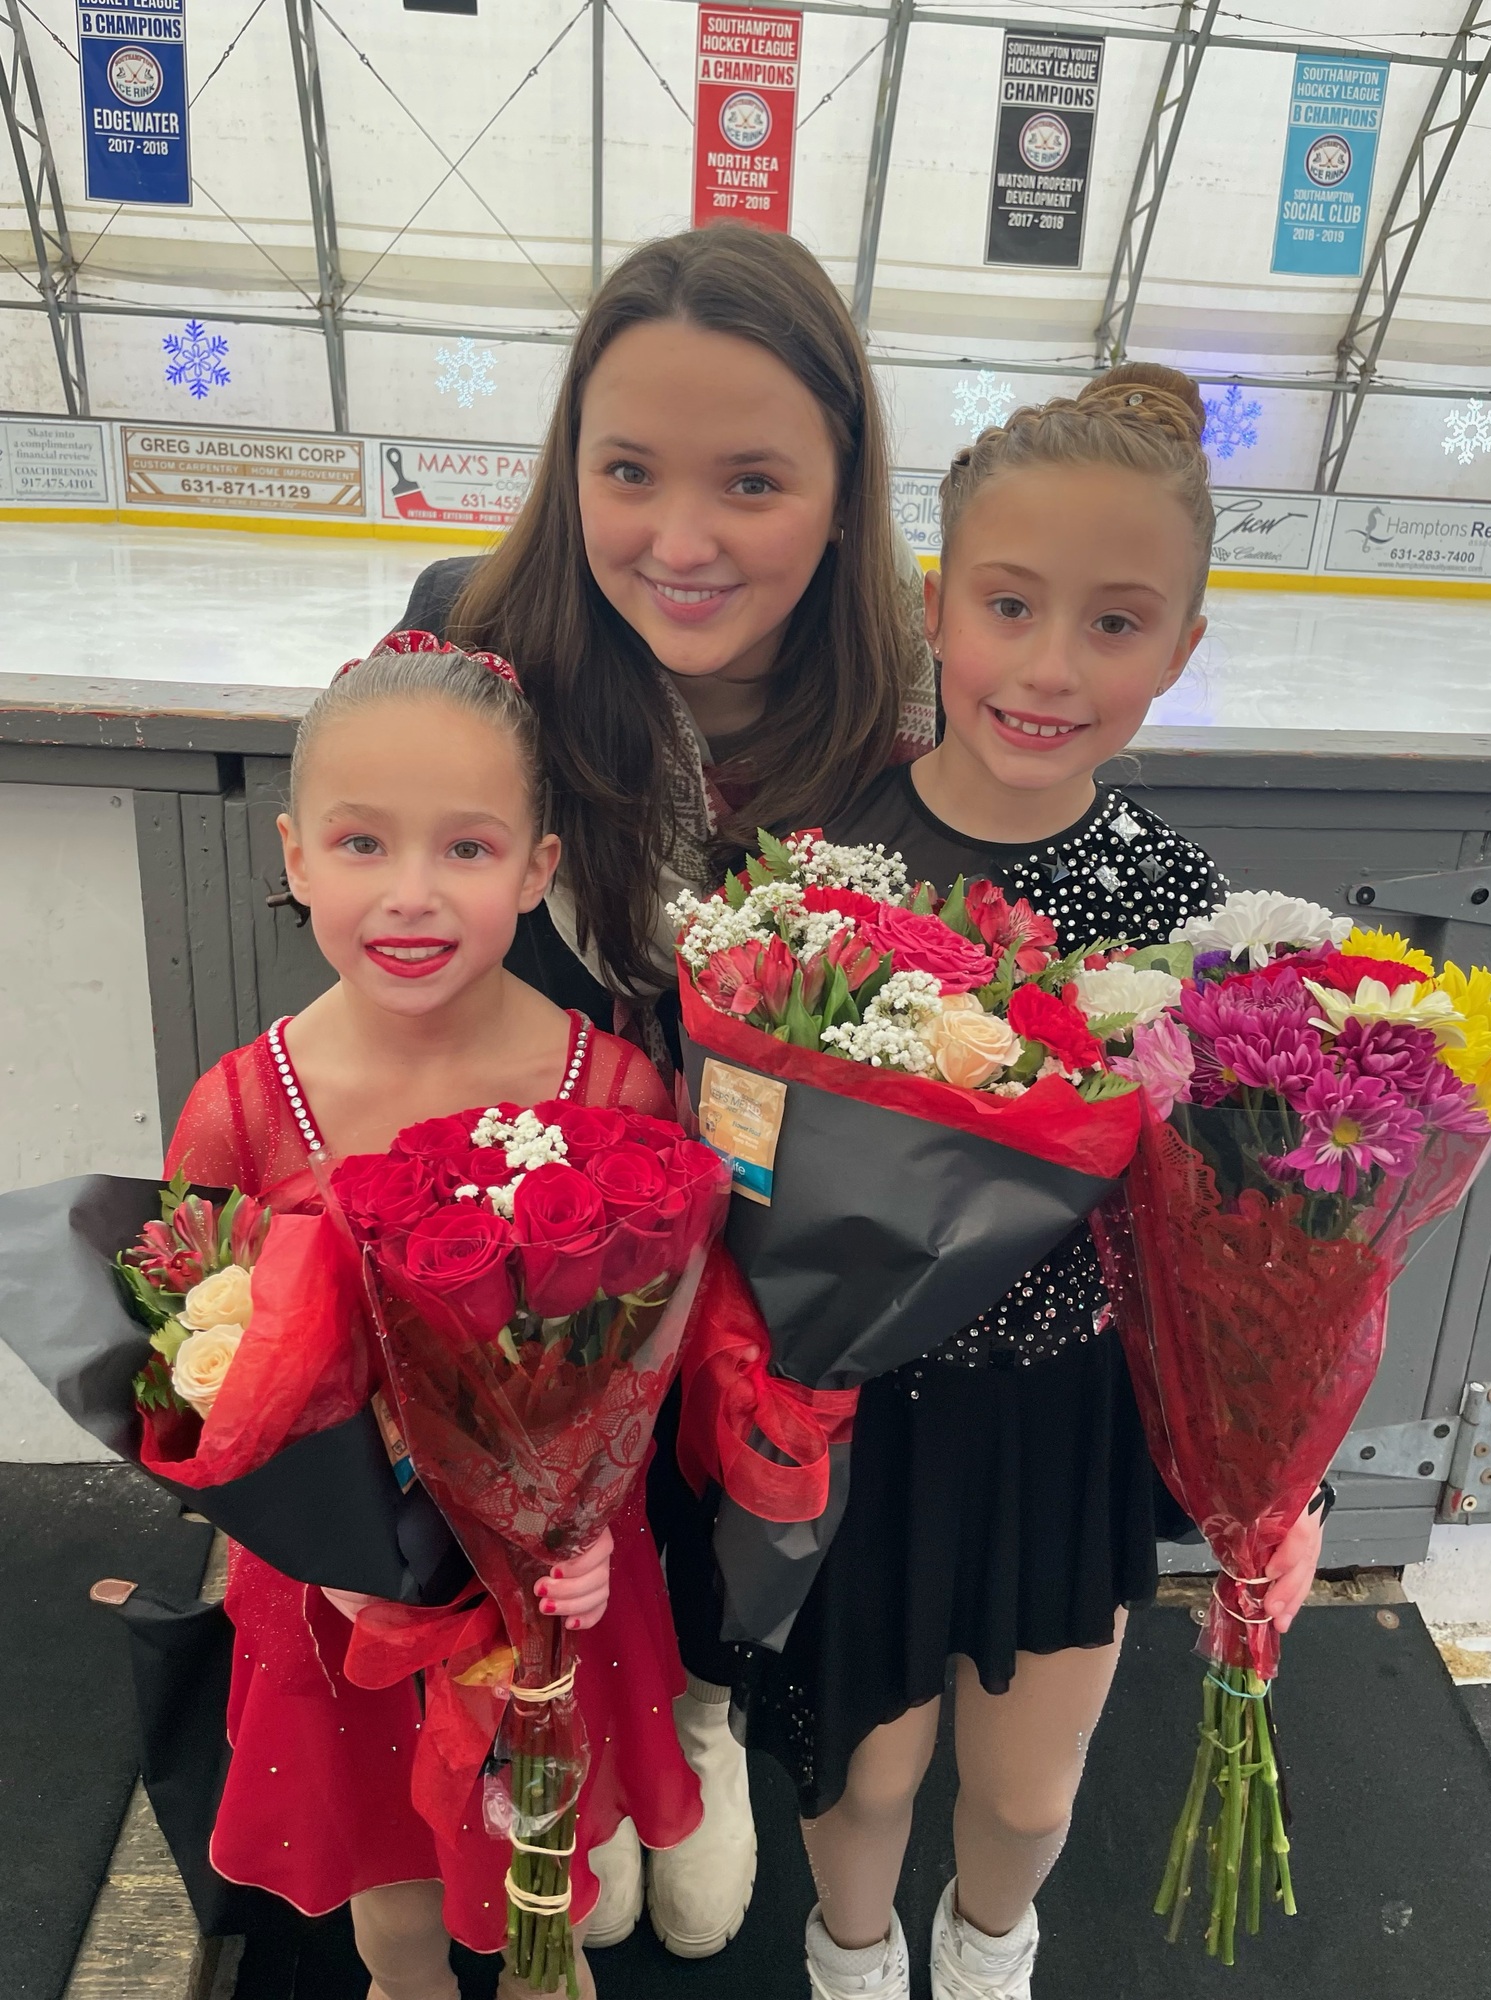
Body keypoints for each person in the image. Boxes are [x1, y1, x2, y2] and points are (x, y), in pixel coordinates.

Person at [730, 364, 1331, 2000]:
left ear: (1186, 651)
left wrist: (1277, 1469)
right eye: (1011, 604)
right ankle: (850, 1960)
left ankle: (991, 1959)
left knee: (1023, 1786)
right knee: (861, 1769)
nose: (1052, 667)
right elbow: (734, 1145)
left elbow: (1239, 1239)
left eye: (1119, 625)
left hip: (1067, 1413)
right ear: (940, 604)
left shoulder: (1172, 900)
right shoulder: (816, 850)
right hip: (849, 1417)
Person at [394, 224, 936, 1957]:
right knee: (537, 1480)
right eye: (626, 471)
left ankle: (696, 1722)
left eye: (754, 483)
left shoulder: (900, 719)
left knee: (728, 1462)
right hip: (534, 1216)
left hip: (763, 1247)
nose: (678, 542)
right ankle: (567, 1739)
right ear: (571, 466)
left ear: (844, 493)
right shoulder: (467, 647)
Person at [165, 632, 702, 2000]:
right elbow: (190, 1376)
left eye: (466, 850)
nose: (412, 895)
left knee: (540, 1893)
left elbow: (652, 1345)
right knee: (393, 1904)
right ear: (292, 857)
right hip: (339, 1607)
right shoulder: (241, 1107)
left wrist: (587, 1525)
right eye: (361, 844)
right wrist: (311, 1541)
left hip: (547, 1595)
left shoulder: (616, 1094)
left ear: (537, 869)